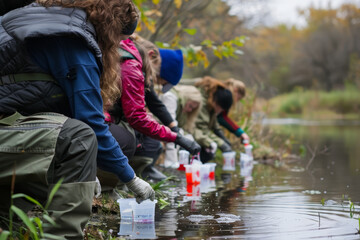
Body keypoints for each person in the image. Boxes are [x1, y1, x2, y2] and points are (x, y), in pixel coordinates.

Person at [0, 1, 154, 238]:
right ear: (110, 27)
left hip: (10, 127)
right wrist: (130, 178)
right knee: (79, 139)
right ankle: (63, 235)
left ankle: (11, 223)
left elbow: (38, 102)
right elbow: (91, 122)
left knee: (72, 138)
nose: (117, 46)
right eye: (118, 39)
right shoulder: (73, 39)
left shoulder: (49, 20)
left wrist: (87, 170)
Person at [107, 35, 201, 181]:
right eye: (157, 77)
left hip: (115, 116)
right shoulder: (132, 67)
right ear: (151, 56)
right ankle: (120, 180)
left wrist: (174, 129)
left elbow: (155, 103)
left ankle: (142, 172)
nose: (154, 80)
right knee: (130, 140)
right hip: (109, 117)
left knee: (150, 140)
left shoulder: (136, 64)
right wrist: (176, 137)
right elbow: (138, 116)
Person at [159, 85, 203, 168]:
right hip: (156, 129)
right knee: (180, 133)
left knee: (187, 136)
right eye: (190, 106)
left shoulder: (182, 106)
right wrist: (172, 160)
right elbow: (170, 126)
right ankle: (170, 161)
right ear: (186, 98)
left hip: (165, 132)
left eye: (192, 109)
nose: (190, 110)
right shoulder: (170, 98)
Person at [193, 76, 234, 163]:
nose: (220, 112)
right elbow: (202, 129)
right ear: (216, 103)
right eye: (221, 109)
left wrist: (223, 138)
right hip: (191, 133)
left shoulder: (211, 103)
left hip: (198, 134)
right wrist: (221, 144)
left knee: (210, 152)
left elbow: (215, 126)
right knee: (208, 152)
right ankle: (189, 166)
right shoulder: (202, 104)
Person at [216, 78, 250, 146]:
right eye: (238, 98)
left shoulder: (223, 92)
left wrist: (240, 133)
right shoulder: (224, 96)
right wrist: (240, 132)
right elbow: (222, 117)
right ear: (236, 90)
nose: (237, 101)